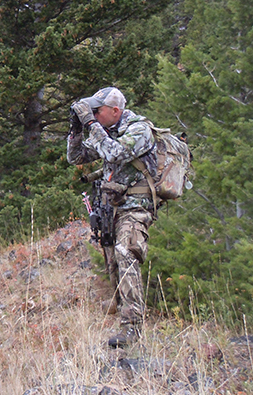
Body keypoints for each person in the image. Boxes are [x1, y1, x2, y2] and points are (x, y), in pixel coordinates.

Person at [67, 87, 157, 348]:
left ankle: (132, 328)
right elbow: (76, 157)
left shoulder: (139, 130)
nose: (94, 114)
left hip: (136, 206)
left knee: (126, 253)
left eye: (98, 110)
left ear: (115, 111)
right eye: (92, 111)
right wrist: (76, 129)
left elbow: (116, 152)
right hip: (110, 207)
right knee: (113, 265)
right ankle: (123, 319)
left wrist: (91, 124)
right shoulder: (106, 131)